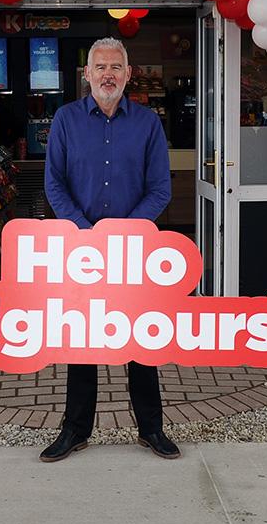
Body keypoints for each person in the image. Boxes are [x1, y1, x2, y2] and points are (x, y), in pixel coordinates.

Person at [41, 37, 179, 462]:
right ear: (86, 75)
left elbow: (160, 189)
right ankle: (76, 429)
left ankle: (151, 428)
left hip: (133, 250)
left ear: (128, 74)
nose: (108, 75)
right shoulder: (65, 120)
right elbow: (54, 185)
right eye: (99, 67)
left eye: (115, 67)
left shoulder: (147, 123)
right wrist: (88, 232)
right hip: (80, 249)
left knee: (140, 338)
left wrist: (123, 232)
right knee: (81, 341)